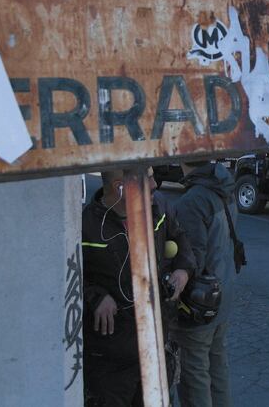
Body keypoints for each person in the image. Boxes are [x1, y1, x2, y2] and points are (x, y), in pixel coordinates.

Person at [82, 167, 195, 407]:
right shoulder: (86, 225)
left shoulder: (158, 207)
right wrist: (97, 297)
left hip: (155, 349)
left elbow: (181, 238)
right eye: (147, 178)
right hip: (111, 360)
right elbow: (70, 280)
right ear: (120, 187)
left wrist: (183, 270)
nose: (155, 184)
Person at [172, 160, 238, 407]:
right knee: (218, 367)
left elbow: (191, 260)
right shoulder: (222, 185)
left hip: (199, 302)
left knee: (194, 374)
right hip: (222, 293)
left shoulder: (192, 201)